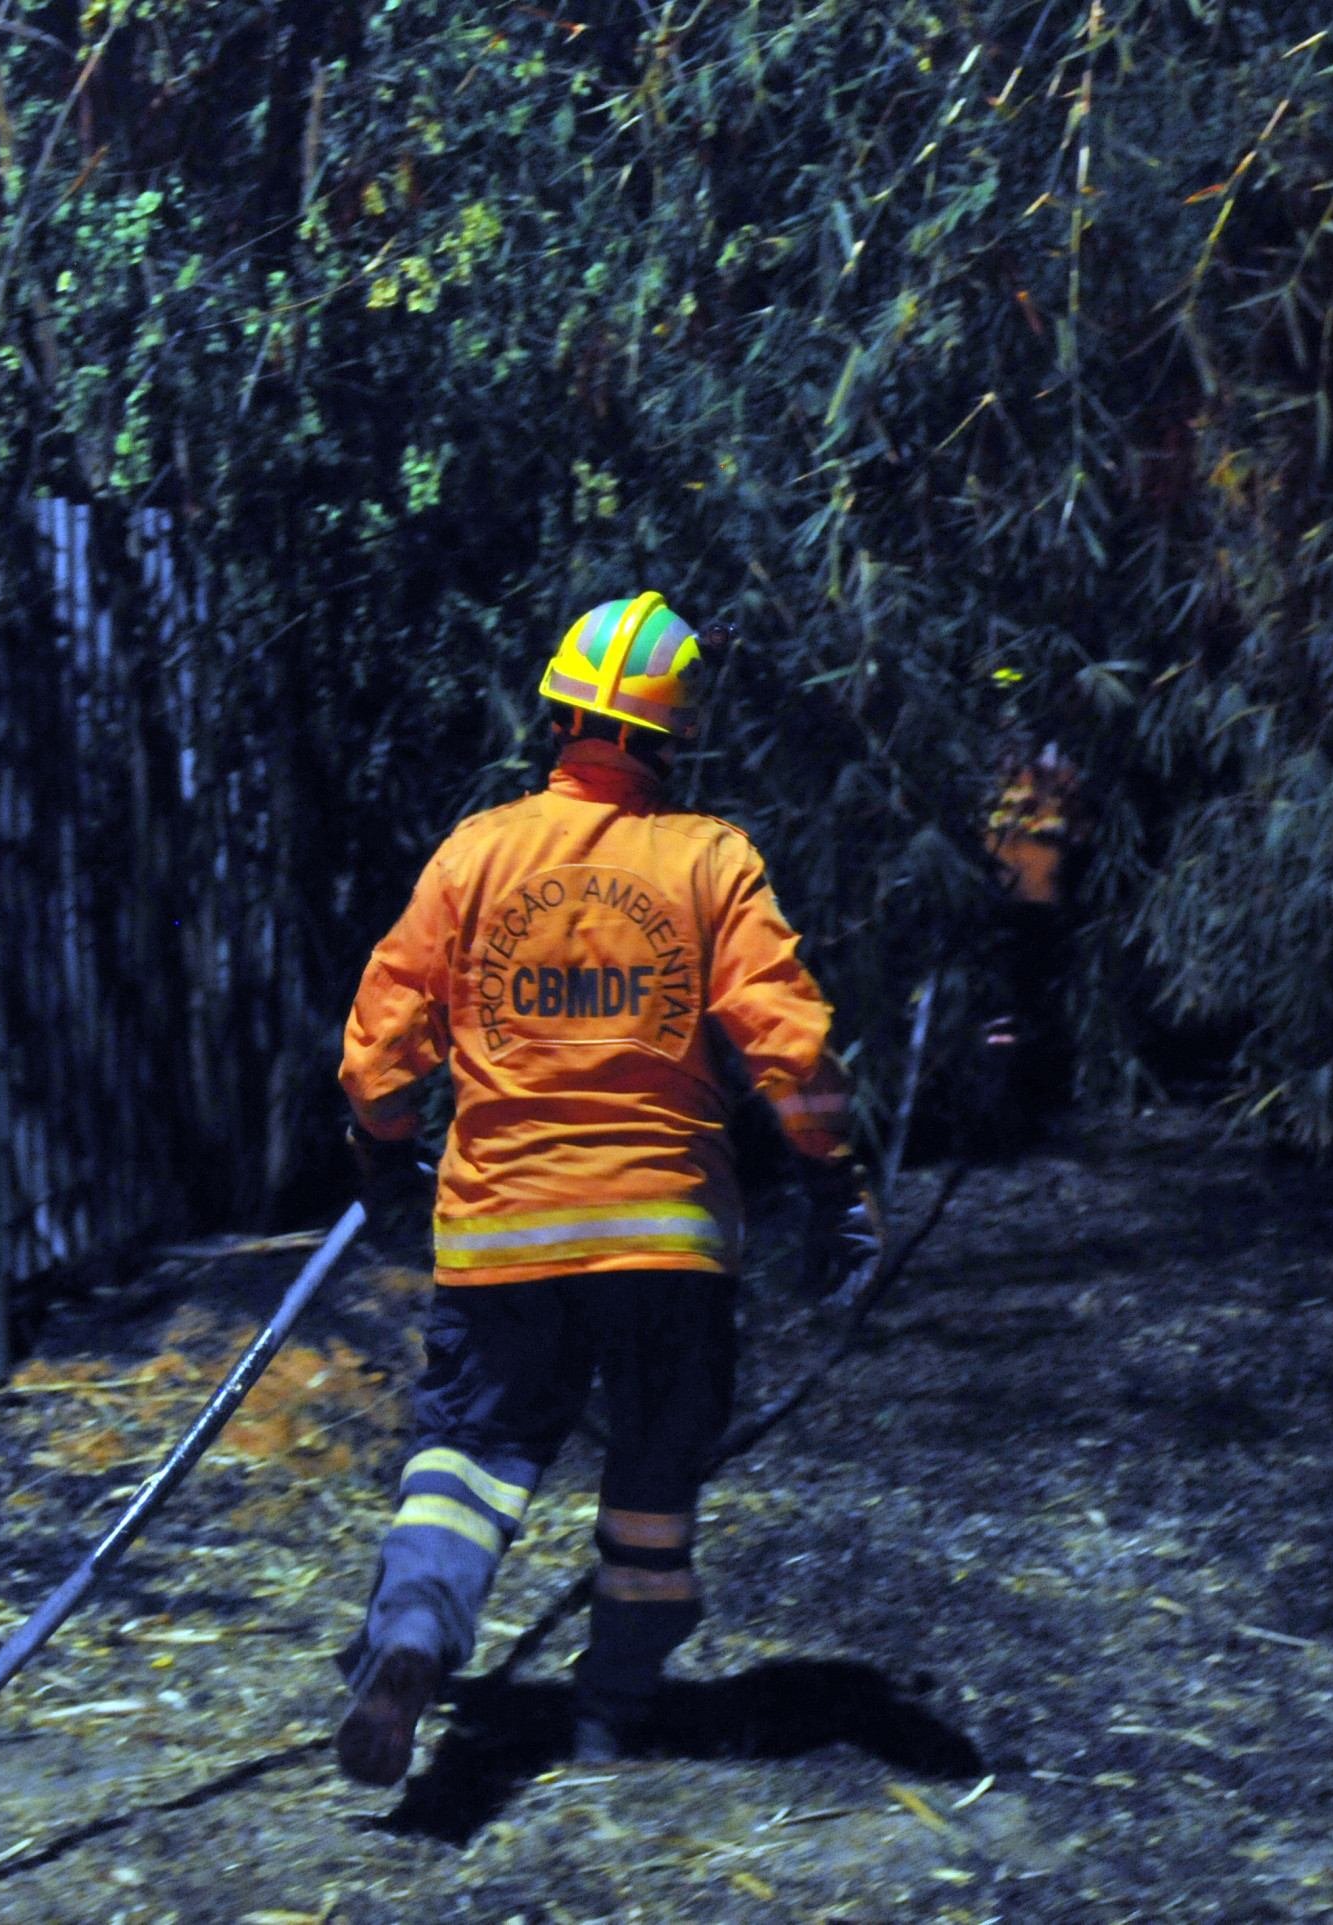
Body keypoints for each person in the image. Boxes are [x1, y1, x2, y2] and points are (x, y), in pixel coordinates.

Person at [329, 591, 877, 1786]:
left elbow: (380, 1043)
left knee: (468, 1452)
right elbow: (789, 1047)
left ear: (557, 711)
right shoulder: (709, 858)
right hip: (667, 1239)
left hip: (506, 1234)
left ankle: (415, 1632)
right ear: (673, 735)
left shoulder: (478, 851)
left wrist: (382, 1149)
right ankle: (611, 1705)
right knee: (651, 1479)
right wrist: (832, 1181)